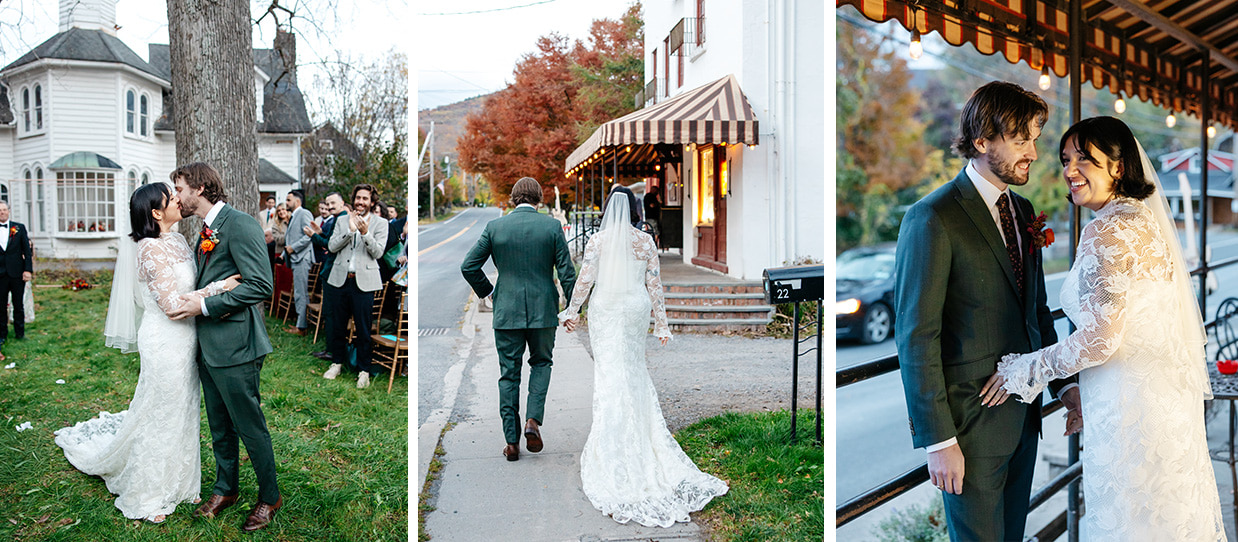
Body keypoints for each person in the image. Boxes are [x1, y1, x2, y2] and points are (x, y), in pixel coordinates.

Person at [988, 116, 1226, 540]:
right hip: (1158, 403)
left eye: (1086, 160)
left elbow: (1101, 338)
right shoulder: (1143, 222)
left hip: (1128, 410)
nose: (1070, 170)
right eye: (1065, 160)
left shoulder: (1109, 230)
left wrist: (1025, 369)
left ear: (1117, 167)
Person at [893, 81, 1079, 541]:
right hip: (968, 430)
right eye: (1021, 140)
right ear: (981, 142)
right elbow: (916, 336)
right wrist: (939, 442)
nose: (1034, 152)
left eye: (1034, 139)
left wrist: (1066, 388)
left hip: (1023, 417)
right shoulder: (932, 217)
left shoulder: (1024, 210)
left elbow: (1036, 314)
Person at [61, 182, 239, 523]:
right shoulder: (149, 249)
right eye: (171, 199)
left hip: (188, 338)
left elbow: (187, 286)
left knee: (183, 411)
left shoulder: (178, 240)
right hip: (165, 339)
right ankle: (147, 495)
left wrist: (211, 286)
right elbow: (171, 305)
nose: (178, 201)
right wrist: (220, 288)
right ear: (157, 213)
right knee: (162, 414)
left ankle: (181, 484)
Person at [557, 187, 727, 526]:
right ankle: (640, 433)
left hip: (606, 308)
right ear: (635, 208)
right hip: (635, 309)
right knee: (632, 370)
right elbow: (654, 284)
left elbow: (585, 280)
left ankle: (613, 439)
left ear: (607, 209)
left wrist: (571, 310)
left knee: (610, 373)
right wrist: (662, 324)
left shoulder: (598, 241)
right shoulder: (645, 241)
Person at [164, 162, 282, 531]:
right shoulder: (205, 230)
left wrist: (206, 305)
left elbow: (262, 285)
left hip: (237, 347)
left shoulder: (241, 224)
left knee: (249, 426)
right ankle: (225, 488)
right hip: (206, 345)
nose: (177, 197)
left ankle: (269, 496)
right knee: (218, 425)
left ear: (199, 188)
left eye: (180, 189)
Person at [460, 177, 577, 461]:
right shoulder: (551, 226)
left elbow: (468, 266)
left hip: (506, 311)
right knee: (541, 363)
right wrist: (572, 309)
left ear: (513, 199)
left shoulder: (495, 227)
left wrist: (489, 293)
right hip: (543, 311)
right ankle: (532, 421)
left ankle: (511, 443)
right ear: (539, 199)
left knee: (508, 374)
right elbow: (567, 272)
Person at [322, 184, 388, 389]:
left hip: (365, 283)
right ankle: (337, 363)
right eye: (358, 198)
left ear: (372, 202)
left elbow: (378, 253)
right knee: (338, 325)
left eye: (365, 199)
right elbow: (331, 247)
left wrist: (365, 233)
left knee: (363, 328)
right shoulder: (342, 220)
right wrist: (350, 232)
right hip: (340, 279)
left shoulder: (381, 223)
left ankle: (364, 370)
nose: (361, 202)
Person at [307, 192, 345, 361]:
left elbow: (331, 246)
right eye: (328, 203)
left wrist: (314, 236)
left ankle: (333, 351)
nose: (329, 206)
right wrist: (320, 233)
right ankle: (330, 348)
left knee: (331, 314)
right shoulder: (337, 218)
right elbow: (329, 240)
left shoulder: (342, 219)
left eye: (333, 203)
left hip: (333, 272)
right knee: (329, 313)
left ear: (342, 203)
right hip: (330, 271)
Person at [0, 201, 32, 360]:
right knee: (0, 306)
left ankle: (20, 333)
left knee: (18, 305)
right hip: (0, 275)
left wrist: (28, 270)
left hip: (17, 273)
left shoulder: (19, 228)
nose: (2, 213)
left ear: (8, 211)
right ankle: (2, 335)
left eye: (4, 210)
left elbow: (27, 250)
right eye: (0, 211)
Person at [282, 189, 315, 336]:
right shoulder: (294, 215)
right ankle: (299, 323)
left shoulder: (304, 213)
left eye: (289, 200)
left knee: (301, 293)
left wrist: (292, 248)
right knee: (298, 292)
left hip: (302, 258)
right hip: (295, 258)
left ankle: (302, 327)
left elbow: (309, 236)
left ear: (297, 201)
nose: (286, 203)